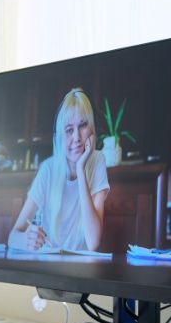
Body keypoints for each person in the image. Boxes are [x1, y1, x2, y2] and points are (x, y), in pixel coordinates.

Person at [7, 88, 109, 252]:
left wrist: (80, 169)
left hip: (82, 270)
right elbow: (12, 237)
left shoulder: (98, 160)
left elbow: (93, 242)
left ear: (92, 129)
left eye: (82, 126)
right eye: (69, 130)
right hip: (50, 265)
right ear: (60, 136)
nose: (77, 138)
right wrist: (26, 240)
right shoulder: (48, 169)